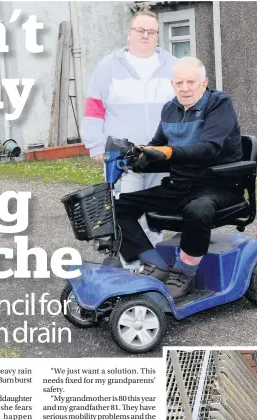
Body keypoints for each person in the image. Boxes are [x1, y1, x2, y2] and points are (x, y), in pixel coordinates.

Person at [114, 56, 244, 300]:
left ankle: (185, 272)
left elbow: (209, 149)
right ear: (172, 84)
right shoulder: (169, 109)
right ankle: (156, 265)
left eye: (191, 82)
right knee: (116, 208)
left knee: (198, 210)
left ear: (204, 82)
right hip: (179, 186)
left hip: (219, 186)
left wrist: (169, 152)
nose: (184, 88)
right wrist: (138, 157)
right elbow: (158, 147)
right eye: (179, 82)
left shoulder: (219, 104)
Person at [81, 6, 177, 259]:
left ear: (158, 36)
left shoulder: (173, 66)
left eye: (151, 32)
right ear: (129, 33)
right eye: (140, 30)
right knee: (125, 210)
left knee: (155, 211)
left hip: (161, 154)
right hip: (124, 157)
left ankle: (154, 262)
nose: (145, 35)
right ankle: (131, 265)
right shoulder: (108, 66)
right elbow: (94, 108)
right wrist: (96, 145)